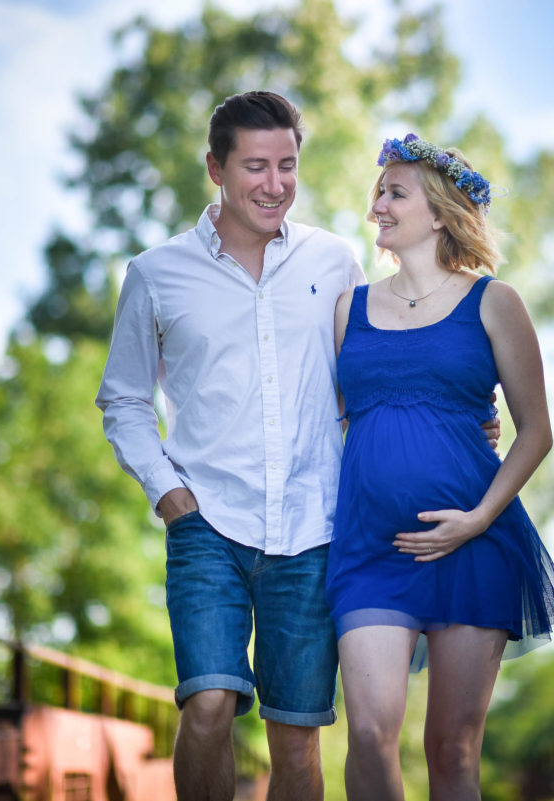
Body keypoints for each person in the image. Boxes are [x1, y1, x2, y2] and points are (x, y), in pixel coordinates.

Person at [94, 91, 364, 801]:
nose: (275, 184)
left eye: (287, 165)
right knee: (208, 704)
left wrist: (461, 413)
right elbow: (123, 398)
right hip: (205, 523)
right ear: (215, 168)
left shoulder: (336, 261)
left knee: (297, 742)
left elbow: (369, 380)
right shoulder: (156, 274)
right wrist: (168, 494)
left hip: (312, 526)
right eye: (255, 167)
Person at [325, 134, 554, 800]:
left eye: (394, 192)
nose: (377, 204)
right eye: (378, 191)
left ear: (437, 211)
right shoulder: (350, 309)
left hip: (473, 542)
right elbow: (353, 419)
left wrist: (475, 519)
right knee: (371, 735)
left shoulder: (495, 303)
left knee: (452, 748)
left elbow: (536, 431)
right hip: (370, 548)